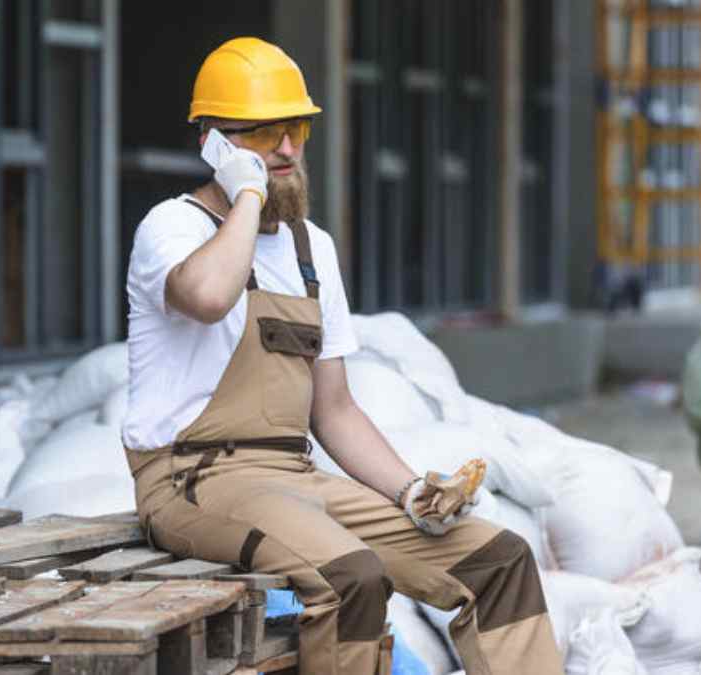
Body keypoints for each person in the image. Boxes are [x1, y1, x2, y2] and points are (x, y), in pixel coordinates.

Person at [121, 37, 562, 675]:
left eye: (297, 127)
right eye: (265, 133)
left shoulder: (311, 249)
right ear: (213, 142)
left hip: (296, 478)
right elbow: (211, 296)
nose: (289, 149)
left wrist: (410, 490)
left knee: (500, 560)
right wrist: (246, 196)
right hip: (192, 480)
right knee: (351, 576)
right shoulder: (173, 228)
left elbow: (336, 410)